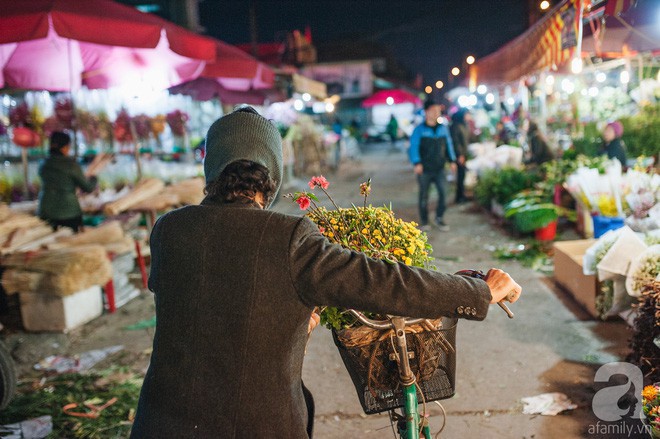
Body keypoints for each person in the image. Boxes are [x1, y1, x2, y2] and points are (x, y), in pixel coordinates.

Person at [130, 106, 522, 438]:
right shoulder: (288, 236)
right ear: (272, 173)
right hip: (255, 425)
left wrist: (286, 314)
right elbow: (385, 281)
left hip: (160, 422)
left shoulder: (169, 228)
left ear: (211, 169)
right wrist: (479, 291)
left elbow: (202, 300)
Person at [37, 131, 101, 233]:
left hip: (45, 211)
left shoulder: (43, 164)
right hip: (68, 213)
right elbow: (88, 187)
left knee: (49, 244)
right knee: (70, 242)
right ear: (65, 147)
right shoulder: (71, 165)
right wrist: (94, 178)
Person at [408, 99, 457, 231]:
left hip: (440, 168)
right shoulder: (419, 130)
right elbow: (413, 147)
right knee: (424, 195)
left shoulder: (443, 129)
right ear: (426, 112)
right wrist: (417, 162)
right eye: (433, 110)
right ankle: (424, 221)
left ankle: (439, 218)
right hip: (424, 169)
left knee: (443, 194)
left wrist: (452, 160)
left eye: (438, 111)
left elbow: (448, 145)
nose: (436, 113)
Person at [450, 109, 472, 204]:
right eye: (467, 114)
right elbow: (456, 142)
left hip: (463, 154)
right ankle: (459, 197)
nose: (469, 116)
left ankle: (461, 195)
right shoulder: (456, 126)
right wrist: (460, 155)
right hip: (460, 155)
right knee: (460, 176)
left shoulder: (464, 125)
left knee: (462, 176)